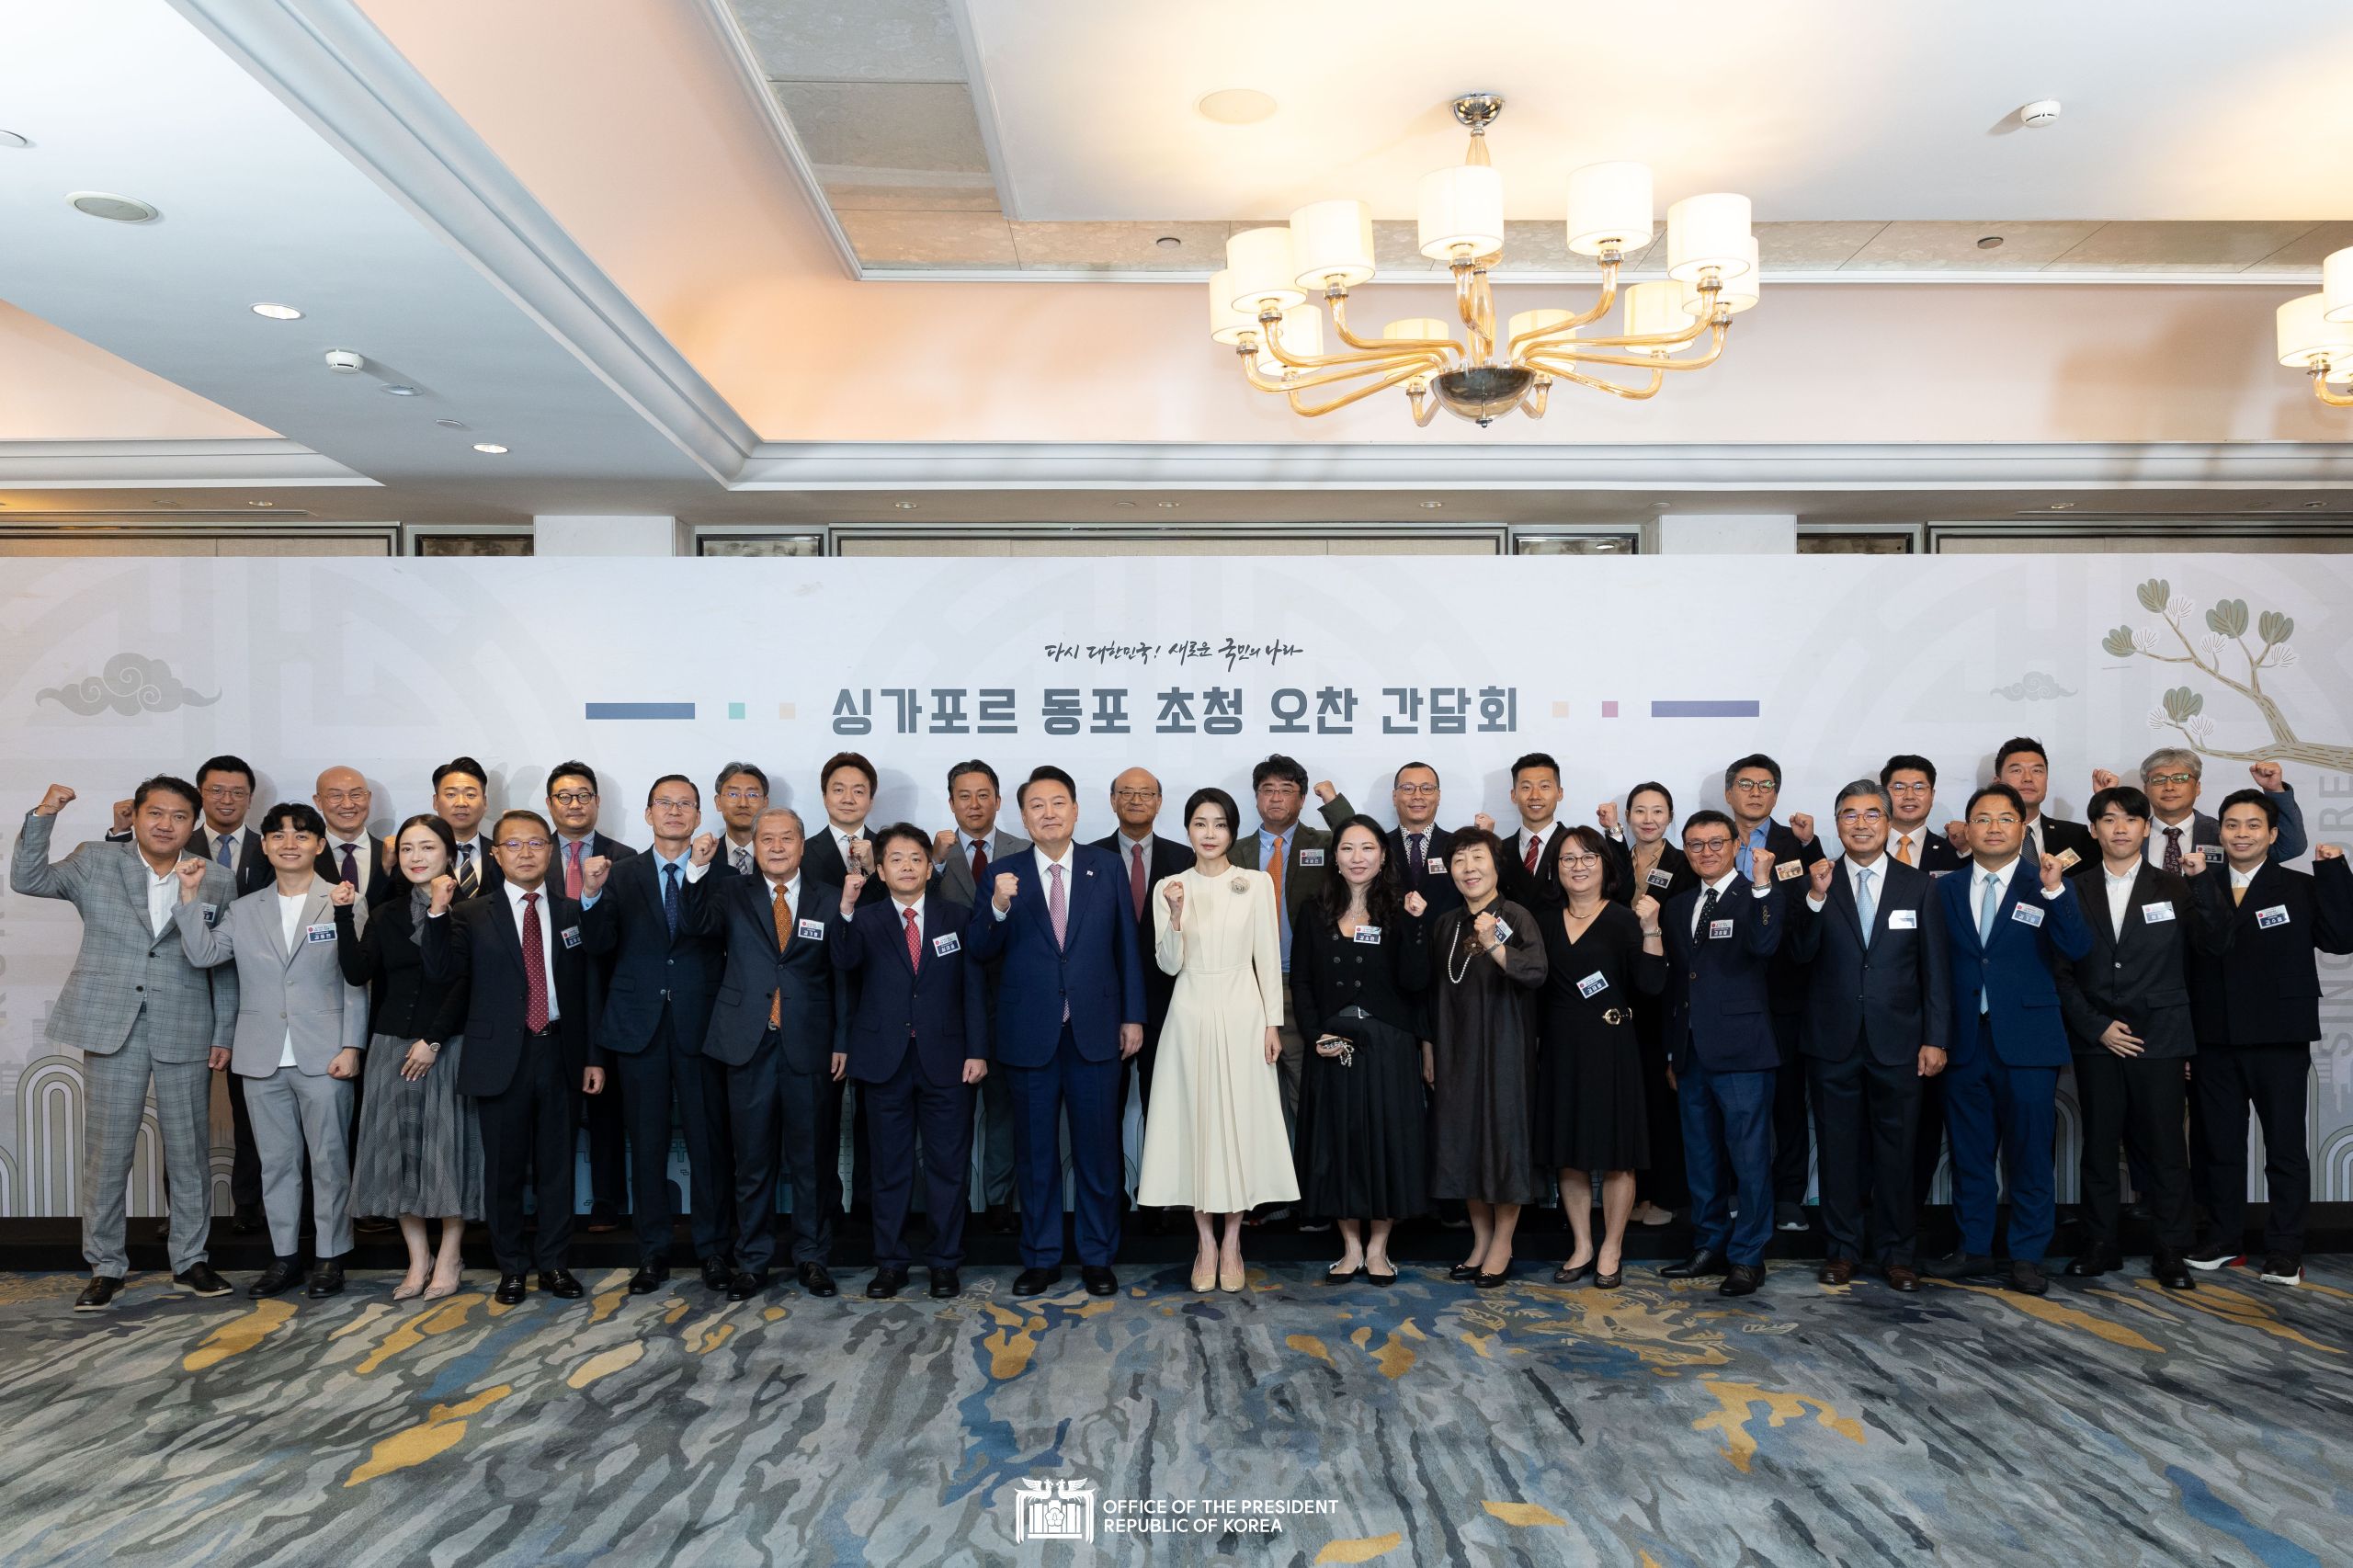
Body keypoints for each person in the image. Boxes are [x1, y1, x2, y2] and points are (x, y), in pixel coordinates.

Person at [14, 779, 236, 1311]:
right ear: (134, 816)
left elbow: (225, 968)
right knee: (107, 1152)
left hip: (186, 1025)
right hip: (112, 1024)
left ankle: (191, 1259)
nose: (166, 824)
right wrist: (45, 813)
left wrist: (224, 1032)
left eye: (179, 816)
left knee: (189, 1153)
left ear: (193, 824)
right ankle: (106, 1265)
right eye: (155, 813)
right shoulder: (97, 861)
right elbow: (28, 878)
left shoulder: (218, 879)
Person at [964, 766, 1147, 1299]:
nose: (1049, 813)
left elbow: (1126, 949)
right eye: (1037, 805)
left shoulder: (1105, 867)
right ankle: (1041, 1258)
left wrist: (1132, 1016)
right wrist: (997, 907)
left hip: (1095, 1031)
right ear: (1022, 816)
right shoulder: (1002, 872)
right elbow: (978, 950)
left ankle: (1097, 1256)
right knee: (1036, 1156)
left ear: (1075, 810)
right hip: (1028, 1034)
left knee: (1098, 1151)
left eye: (1058, 803)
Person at [176, 801, 371, 1299]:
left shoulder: (344, 898)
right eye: (279, 835)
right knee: (276, 1163)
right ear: (264, 845)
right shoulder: (245, 909)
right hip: (261, 1056)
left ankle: (330, 1257)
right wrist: (190, 895)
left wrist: (352, 1045)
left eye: (302, 835)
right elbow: (202, 954)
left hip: (325, 1054)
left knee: (329, 1161)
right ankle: (285, 1257)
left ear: (320, 845)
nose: (290, 843)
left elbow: (356, 982)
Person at [417, 808, 606, 1305]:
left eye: (536, 844)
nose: (526, 853)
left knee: (557, 1168)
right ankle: (512, 1268)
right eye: (514, 845)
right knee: (503, 1170)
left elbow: (588, 990)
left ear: (550, 850)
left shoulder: (572, 911)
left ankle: (554, 1264)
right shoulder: (471, 913)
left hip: (560, 1051)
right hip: (500, 1058)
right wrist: (437, 913)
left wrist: (592, 1057)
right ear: (496, 855)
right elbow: (441, 974)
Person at [1925, 784, 2092, 1297]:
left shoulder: (2047, 882)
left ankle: (2026, 1255)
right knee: (1971, 1153)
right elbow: (1934, 966)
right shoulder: (1944, 889)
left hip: (2029, 1042)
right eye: (1982, 818)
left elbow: (2078, 947)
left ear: (2023, 827)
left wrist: (2056, 892)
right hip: (1964, 1041)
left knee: (2030, 1154)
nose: (1993, 827)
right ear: (1967, 829)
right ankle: (1975, 1248)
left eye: (2004, 818)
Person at [1787, 782, 1950, 1290]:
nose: (1861, 824)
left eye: (1871, 814)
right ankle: (1842, 1251)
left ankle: (1897, 1252)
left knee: (1898, 1153)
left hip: (1900, 1043)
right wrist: (1814, 899)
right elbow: (1796, 955)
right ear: (1837, 824)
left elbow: (1935, 971)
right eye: (1850, 815)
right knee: (1838, 1152)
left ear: (1887, 822)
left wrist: (1936, 1038)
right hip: (1832, 1041)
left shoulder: (1919, 885)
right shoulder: (1814, 881)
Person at [2185, 792, 2353, 1285]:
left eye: (2253, 825)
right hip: (2214, 1036)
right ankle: (2224, 1239)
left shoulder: (2300, 886)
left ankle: (2285, 1250)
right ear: (2220, 832)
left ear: (2273, 835)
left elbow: (2343, 939)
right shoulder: (2199, 883)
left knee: (2284, 1147)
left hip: (2280, 1035)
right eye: (2232, 824)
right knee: (2219, 1145)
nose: (2241, 833)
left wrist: (2336, 871)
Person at [679, 806, 847, 1301]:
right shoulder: (730, 890)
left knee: (813, 1159)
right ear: (754, 845)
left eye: (786, 838)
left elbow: (841, 976)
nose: (776, 846)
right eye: (767, 839)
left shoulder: (830, 897)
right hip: (747, 1041)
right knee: (752, 1161)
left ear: (801, 845)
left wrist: (842, 1042)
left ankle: (812, 1258)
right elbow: (694, 923)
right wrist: (695, 867)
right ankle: (752, 1261)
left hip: (810, 1043)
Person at [2053, 785, 2216, 1290]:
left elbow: (2205, 958)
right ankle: (2101, 1243)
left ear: (2147, 828)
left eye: (2130, 819)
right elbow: (2058, 971)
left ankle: (2172, 1248)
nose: (2119, 827)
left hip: (2161, 1037)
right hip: (2098, 1037)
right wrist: (2096, 1026)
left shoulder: (2176, 888)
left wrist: (2206, 886)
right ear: (2095, 830)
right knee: (2099, 1144)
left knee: (2166, 1146)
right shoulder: (2069, 889)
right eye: (2107, 819)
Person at [1137, 787, 1294, 1292]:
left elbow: (1268, 959)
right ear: (1188, 829)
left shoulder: (1253, 882)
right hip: (1189, 1010)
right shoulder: (1169, 885)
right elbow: (1167, 964)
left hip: (1243, 1009)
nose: (1210, 833)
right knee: (1197, 1125)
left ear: (1231, 830)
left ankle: (1233, 1241)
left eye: (1220, 824)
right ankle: (1204, 1242)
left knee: (1239, 1124)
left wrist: (1273, 1022)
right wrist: (1177, 915)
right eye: (1200, 823)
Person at [579, 776, 729, 1294]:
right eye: (664, 803)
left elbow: (712, 933)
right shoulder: (619, 875)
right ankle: (653, 1251)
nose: (674, 812)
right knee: (645, 1146)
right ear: (647, 814)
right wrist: (591, 895)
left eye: (685, 804)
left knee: (708, 1145)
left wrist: (699, 873)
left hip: (700, 1027)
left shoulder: (719, 872)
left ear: (698, 815)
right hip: (638, 1029)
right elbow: (597, 947)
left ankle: (713, 1250)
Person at [829, 823, 988, 1301]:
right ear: (880, 869)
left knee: (948, 1167)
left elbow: (974, 989)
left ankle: (944, 1262)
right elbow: (842, 962)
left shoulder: (957, 916)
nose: (906, 866)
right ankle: (891, 1263)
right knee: (889, 1168)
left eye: (916, 858)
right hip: (883, 1062)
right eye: (895, 859)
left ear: (928, 866)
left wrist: (977, 1049)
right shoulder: (866, 918)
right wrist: (846, 908)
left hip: (947, 1060)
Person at [337, 812, 479, 1301]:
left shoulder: (471, 911)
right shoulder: (386, 913)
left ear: (449, 855)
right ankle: (417, 1258)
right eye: (408, 850)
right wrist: (341, 913)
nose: (417, 858)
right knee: (399, 1154)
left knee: (446, 1154)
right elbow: (358, 973)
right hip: (390, 1047)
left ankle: (450, 1254)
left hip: (446, 1047)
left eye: (428, 849)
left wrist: (434, 1040)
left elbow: (462, 984)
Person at [1290, 814, 1432, 1286]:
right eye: (1348, 848)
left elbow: (1415, 982)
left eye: (1367, 848)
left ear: (1384, 854)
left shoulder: (1401, 907)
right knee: (1338, 1146)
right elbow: (1304, 981)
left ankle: (1378, 1250)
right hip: (1331, 1043)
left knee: (1388, 1143)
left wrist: (1414, 926)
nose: (1357, 858)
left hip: (1389, 1042)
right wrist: (1314, 1036)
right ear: (1335, 856)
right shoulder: (1314, 909)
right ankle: (1349, 1247)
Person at [1657, 811, 1785, 1297]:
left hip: (1743, 1051)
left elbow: (1767, 944)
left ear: (1737, 845)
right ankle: (1709, 1244)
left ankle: (1749, 1255)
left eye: (1716, 843)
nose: (1706, 852)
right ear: (1685, 850)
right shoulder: (1679, 905)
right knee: (1702, 1158)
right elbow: (1676, 986)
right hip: (1690, 1052)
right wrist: (1673, 1051)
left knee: (1750, 1159)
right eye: (1695, 844)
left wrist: (1762, 884)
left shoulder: (1757, 893)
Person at [1536, 825, 1665, 1290]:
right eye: (1568, 859)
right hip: (1560, 1048)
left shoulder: (1623, 919)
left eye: (1588, 857)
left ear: (1606, 866)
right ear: (1555, 868)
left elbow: (1651, 985)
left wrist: (1651, 928)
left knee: (1617, 1155)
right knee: (1568, 1155)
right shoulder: (1544, 921)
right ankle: (1582, 1244)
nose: (1578, 866)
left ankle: (1612, 1246)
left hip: (1613, 1046)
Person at [1427, 826, 1548, 1288]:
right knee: (1464, 1144)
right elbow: (1435, 993)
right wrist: (1430, 1048)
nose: (1469, 869)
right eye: (1459, 861)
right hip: (1455, 1049)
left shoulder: (1516, 916)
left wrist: (1496, 943)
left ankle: (1503, 1243)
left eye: (1477, 858)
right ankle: (1479, 1240)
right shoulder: (1445, 924)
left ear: (1497, 866)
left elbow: (1536, 972)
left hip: (1505, 1047)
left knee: (1503, 1142)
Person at [1722, 753, 1828, 1234]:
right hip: (1727, 990)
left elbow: (1817, 900)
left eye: (1767, 785)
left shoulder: (1794, 844)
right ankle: (1735, 1192)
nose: (1757, 792)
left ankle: (1787, 1196)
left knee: (1786, 1101)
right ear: (1730, 793)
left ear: (1777, 795)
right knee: (1732, 1101)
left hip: (1783, 991)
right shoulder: (1711, 842)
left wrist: (1811, 845)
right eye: (1746, 783)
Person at [938, 759, 1032, 1235]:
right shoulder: (932, 854)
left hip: (1009, 999)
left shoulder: (1027, 850)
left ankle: (1000, 1203)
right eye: (963, 795)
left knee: (1003, 1110)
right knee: (946, 1113)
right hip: (943, 1001)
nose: (974, 804)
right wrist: (934, 862)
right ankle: (946, 1210)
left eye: (983, 795)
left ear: (998, 800)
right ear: (951, 801)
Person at [548, 760, 637, 1235]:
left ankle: (606, 1202)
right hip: (549, 990)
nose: (575, 803)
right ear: (549, 805)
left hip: (605, 987)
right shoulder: (532, 855)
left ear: (598, 803)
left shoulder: (625, 857)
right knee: (553, 1105)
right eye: (564, 796)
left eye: (583, 795)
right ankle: (551, 1207)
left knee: (606, 1103)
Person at [1879, 754, 1965, 1242]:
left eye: (1919, 787)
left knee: (1921, 1132)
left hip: (1928, 1021)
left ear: (1932, 794)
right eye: (1899, 786)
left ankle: (1905, 1226)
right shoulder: (1853, 847)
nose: (1909, 795)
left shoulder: (1955, 853)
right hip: (1869, 1023)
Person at [1604, 780, 1698, 1226]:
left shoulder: (1683, 863)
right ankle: (1635, 1194)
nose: (1648, 819)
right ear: (1627, 817)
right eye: (1639, 811)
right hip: (1621, 990)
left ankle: (1666, 1195)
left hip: (1665, 984)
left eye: (1657, 811)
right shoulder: (1613, 858)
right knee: (1630, 1097)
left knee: (1663, 1097)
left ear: (1670, 817)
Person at [1229, 754, 1331, 1137]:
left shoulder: (1324, 843)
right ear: (1256, 798)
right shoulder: (1232, 851)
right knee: (1250, 1094)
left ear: (1301, 799)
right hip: (1246, 987)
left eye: (1286, 791)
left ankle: (1309, 1190)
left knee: (1304, 1092)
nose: (1275, 798)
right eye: (1267, 790)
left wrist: (1332, 802)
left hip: (1299, 986)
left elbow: (1360, 837)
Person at [1090, 767, 1194, 1126]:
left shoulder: (1185, 860)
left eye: (1146, 793)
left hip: (1166, 1001)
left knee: (1165, 1110)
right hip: (1104, 1003)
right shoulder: (1087, 858)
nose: (1136, 800)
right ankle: (1110, 1185)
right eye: (1127, 792)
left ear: (1160, 802)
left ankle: (1154, 1185)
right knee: (1104, 1110)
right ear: (1113, 801)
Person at [2089, 753, 2310, 869]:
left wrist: (2274, 791)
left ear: (2198, 787)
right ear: (2145, 789)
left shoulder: (2223, 833)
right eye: (2158, 780)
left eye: (2180, 778)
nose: (2169, 787)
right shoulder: (2130, 834)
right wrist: (2105, 799)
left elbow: (2290, 847)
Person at [1315, 761, 1461, 917]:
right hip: (1389, 937)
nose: (1417, 796)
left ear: (1438, 796)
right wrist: (1333, 802)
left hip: (1447, 939)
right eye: (1408, 788)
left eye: (1426, 789)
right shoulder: (1378, 846)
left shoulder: (1459, 846)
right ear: (1394, 796)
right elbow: (1353, 835)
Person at [1483, 752, 1570, 915]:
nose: (1535, 796)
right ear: (1514, 795)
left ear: (1560, 793)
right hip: (1508, 940)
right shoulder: (1499, 850)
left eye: (1544, 786)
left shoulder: (1578, 847)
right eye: (1526, 787)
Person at [1988, 738, 2097, 868]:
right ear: (1997, 782)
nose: (2028, 778)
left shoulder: (2076, 836)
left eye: (2037, 771)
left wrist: (2105, 798)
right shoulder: (1980, 834)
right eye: (2017, 770)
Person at [313, 765, 397, 912]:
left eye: (356, 795)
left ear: (369, 798)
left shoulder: (395, 855)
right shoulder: (305, 856)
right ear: (318, 801)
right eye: (336, 796)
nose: (348, 804)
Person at [432, 756, 503, 899]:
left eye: (470, 795)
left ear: (484, 802)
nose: (461, 803)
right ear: (436, 802)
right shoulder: (418, 855)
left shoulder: (502, 853)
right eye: (451, 794)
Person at [711, 763, 770, 878]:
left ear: (765, 803)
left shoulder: (779, 855)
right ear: (718, 802)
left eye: (752, 795)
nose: (743, 803)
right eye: (733, 794)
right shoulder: (703, 857)